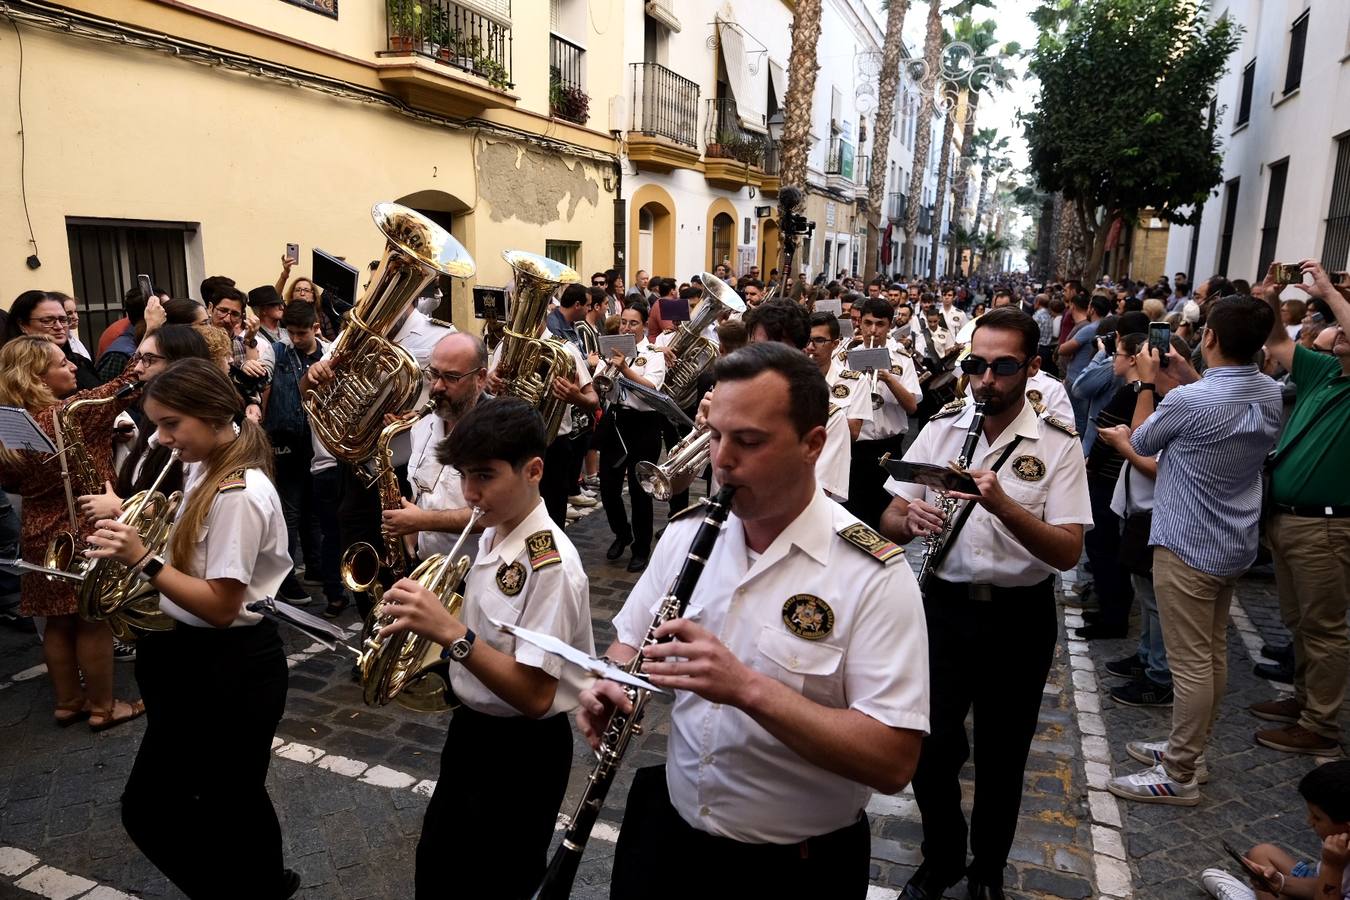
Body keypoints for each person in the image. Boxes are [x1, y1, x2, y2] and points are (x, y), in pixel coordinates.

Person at [579, 341, 929, 898]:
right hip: (671, 836)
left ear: (813, 444)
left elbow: (892, 760)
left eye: (748, 441)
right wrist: (611, 680)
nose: (720, 459)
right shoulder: (686, 535)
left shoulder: (873, 576)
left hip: (796, 867)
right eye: (715, 434)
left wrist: (746, 688)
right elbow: (628, 642)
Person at [879, 308, 1093, 900]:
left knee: (1003, 754)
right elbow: (890, 515)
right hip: (942, 606)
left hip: (1018, 617)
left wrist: (1004, 507)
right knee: (929, 745)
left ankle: (988, 868)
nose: (986, 380)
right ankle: (942, 854)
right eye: (976, 365)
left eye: (1002, 367)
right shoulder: (943, 427)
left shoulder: (1057, 444)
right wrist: (908, 519)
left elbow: (1069, 550)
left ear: (1031, 368)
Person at [84, 359, 296, 899]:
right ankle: (262, 883)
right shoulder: (206, 465)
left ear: (213, 415)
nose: (161, 437)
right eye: (157, 424)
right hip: (201, 658)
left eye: (172, 423)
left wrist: (144, 560)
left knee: (156, 808)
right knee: (234, 797)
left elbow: (222, 606)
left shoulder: (237, 493)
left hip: (228, 662)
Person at [376, 398, 592, 900]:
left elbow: (537, 696)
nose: (470, 494)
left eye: (485, 477)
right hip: (474, 733)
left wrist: (451, 634)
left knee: (499, 880)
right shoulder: (495, 532)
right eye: (464, 476)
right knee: (439, 869)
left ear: (534, 470)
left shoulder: (550, 564)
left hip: (521, 751)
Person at [1107, 295, 1282, 806]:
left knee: (1190, 663)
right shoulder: (1269, 392)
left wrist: (1144, 384)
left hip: (1187, 542)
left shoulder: (1190, 401)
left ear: (1210, 338)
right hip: (1233, 538)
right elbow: (1220, 402)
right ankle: (1190, 749)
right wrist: (1187, 373)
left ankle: (1180, 770)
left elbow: (1142, 440)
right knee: (1210, 654)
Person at [0, 336, 143, 728]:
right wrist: (149, 326)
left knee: (57, 622)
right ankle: (103, 707)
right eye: (63, 363)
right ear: (37, 376)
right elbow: (132, 380)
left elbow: (13, 482)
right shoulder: (69, 413)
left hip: (36, 526)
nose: (74, 367)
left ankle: (67, 701)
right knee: (91, 619)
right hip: (81, 521)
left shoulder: (9, 419)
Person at [1247, 261, 1350, 756]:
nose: (1335, 338)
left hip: (1327, 527)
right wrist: (1269, 297)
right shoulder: (1326, 373)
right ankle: (1305, 702)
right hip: (1289, 518)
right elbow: (1277, 343)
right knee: (1299, 621)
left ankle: (1321, 725)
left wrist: (1329, 292)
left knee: (1324, 628)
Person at [381, 332, 487, 563]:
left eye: (451, 377)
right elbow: (423, 492)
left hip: (473, 574)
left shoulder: (497, 434)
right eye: (434, 374)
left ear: (480, 378)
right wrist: (408, 539)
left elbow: (490, 514)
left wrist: (421, 521)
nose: (438, 386)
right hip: (426, 567)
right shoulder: (422, 426)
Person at [1200, 760, 1350, 900]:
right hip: (1326, 885)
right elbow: (1320, 884)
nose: (1309, 822)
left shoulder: (1335, 857)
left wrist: (1333, 867)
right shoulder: (1340, 838)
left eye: (1317, 818)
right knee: (1262, 853)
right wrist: (1280, 882)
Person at [262, 301, 328, 604]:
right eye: (291, 333)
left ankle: (316, 567)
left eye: (302, 333)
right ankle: (286, 580)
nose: (296, 339)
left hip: (317, 441)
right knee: (289, 512)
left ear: (315, 328)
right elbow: (264, 389)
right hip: (285, 439)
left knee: (313, 512)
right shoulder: (278, 351)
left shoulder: (327, 354)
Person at [597, 300, 666, 571]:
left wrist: (625, 369)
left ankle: (641, 547)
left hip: (645, 423)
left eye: (633, 323)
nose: (626, 327)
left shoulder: (652, 354)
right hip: (616, 420)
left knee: (640, 491)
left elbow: (652, 388)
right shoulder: (610, 350)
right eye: (624, 322)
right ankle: (622, 533)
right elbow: (600, 385)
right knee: (608, 488)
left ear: (644, 325)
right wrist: (603, 368)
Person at [845, 299, 922, 529]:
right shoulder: (848, 357)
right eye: (867, 323)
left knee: (884, 514)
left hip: (888, 448)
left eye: (880, 324)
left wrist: (887, 377)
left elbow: (911, 407)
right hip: (856, 448)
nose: (873, 330)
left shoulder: (902, 358)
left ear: (889, 325)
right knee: (854, 516)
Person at [3, 290, 101, 389]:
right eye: (47, 321)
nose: (59, 326)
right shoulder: (10, 375)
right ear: (22, 325)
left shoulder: (81, 363)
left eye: (63, 320)